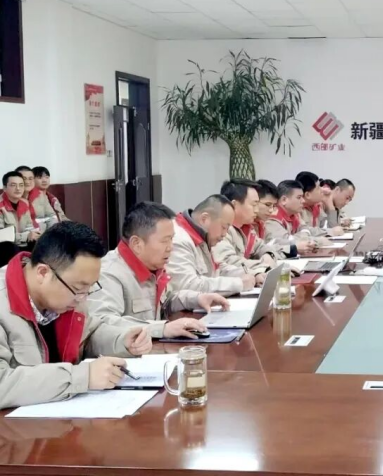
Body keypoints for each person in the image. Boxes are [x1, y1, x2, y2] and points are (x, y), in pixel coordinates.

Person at [0, 221, 152, 409]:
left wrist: (122, 341)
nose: (83, 298)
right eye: (79, 288)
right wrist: (82, 377)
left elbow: (87, 336)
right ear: (43, 273)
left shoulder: (68, 296)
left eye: (90, 288)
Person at [88, 202, 229, 340]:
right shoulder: (109, 273)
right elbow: (104, 324)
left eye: (171, 239)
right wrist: (162, 329)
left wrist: (197, 299)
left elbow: (166, 301)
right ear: (137, 244)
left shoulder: (154, 267)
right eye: (164, 241)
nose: (170, 247)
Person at [167, 195, 260, 295]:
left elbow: (217, 270)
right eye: (224, 227)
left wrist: (253, 274)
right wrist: (239, 284)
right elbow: (189, 285)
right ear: (204, 219)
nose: (224, 234)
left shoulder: (204, 237)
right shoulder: (179, 239)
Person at [213, 179, 279, 274]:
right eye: (254, 205)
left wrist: (268, 255)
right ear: (234, 205)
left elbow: (261, 246)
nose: (256, 210)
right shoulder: (221, 229)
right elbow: (229, 261)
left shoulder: (246, 227)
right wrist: (264, 266)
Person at [265, 180, 317, 254]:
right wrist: (307, 236)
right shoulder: (272, 219)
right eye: (299, 197)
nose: (303, 201)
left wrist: (301, 235)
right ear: (284, 200)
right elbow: (287, 242)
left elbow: (305, 229)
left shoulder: (294, 214)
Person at [295, 171, 344, 238]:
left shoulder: (316, 206)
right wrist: (329, 231)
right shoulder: (297, 209)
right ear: (307, 195)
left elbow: (335, 228)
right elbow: (306, 231)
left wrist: (329, 203)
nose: (322, 190)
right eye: (318, 188)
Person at [0, 171, 41, 248]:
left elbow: (29, 226)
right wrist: (25, 236)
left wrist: (35, 234)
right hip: (7, 246)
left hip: (22, 242)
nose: (18, 188)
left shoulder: (25, 203)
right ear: (4, 188)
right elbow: (2, 236)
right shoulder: (1, 205)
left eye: (21, 185)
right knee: (9, 246)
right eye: (13, 185)